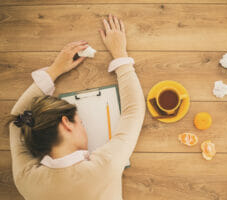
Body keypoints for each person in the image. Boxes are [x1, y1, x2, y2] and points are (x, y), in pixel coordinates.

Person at [5, 14, 145, 200]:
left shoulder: (27, 180)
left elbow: (16, 120)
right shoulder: (103, 168)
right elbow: (133, 111)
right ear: (67, 123)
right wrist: (120, 55)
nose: (84, 127)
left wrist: (54, 71)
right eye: (81, 122)